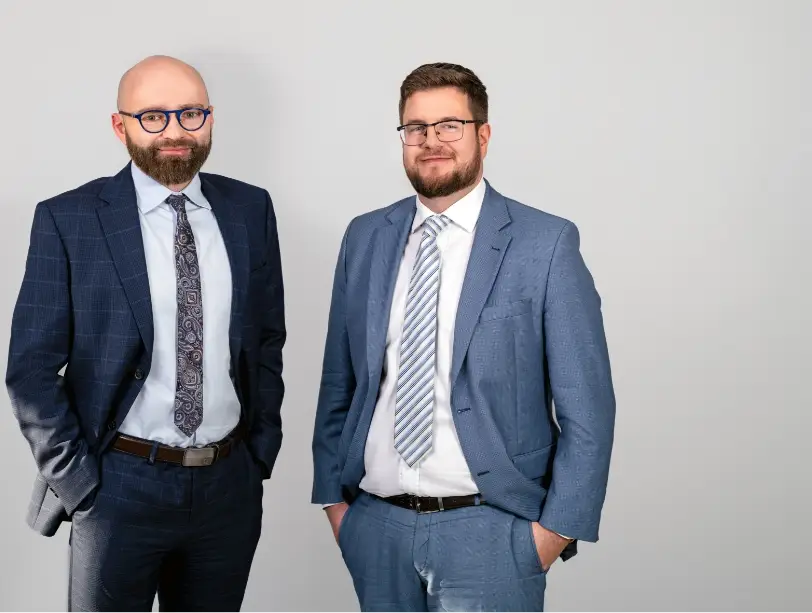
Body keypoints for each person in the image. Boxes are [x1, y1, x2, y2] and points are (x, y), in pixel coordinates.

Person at [311, 62, 615, 611]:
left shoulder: (545, 244)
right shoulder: (365, 237)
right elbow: (340, 381)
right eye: (416, 128)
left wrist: (553, 534)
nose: (432, 141)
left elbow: (587, 409)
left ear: (484, 135)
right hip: (375, 528)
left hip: (493, 531)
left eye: (450, 125)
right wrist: (336, 506)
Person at [5, 55, 285, 611]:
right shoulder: (70, 219)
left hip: (227, 488)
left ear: (210, 118)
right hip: (118, 486)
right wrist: (78, 481)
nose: (175, 131)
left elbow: (266, 340)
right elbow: (30, 369)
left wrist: (258, 452)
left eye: (190, 114)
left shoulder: (250, 209)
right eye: (153, 116)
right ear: (121, 126)